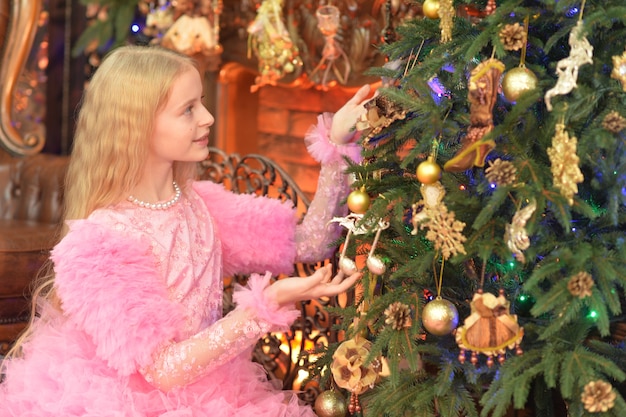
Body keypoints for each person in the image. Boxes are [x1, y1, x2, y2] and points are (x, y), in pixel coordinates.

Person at [0, 45, 373, 416]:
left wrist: (338, 144)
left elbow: (310, 242)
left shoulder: (204, 205)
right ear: (138, 124)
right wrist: (263, 307)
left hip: (217, 392)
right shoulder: (99, 245)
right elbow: (163, 371)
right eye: (188, 109)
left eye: (203, 103)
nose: (209, 117)